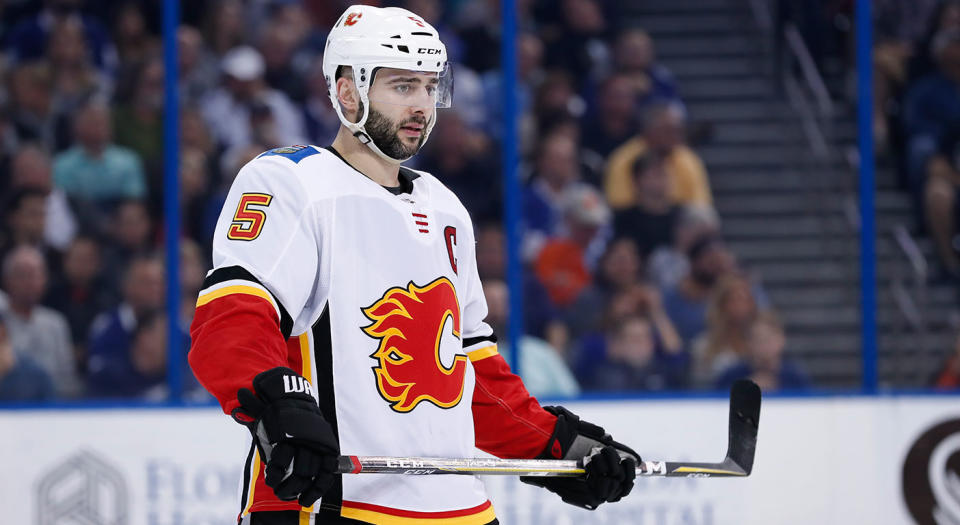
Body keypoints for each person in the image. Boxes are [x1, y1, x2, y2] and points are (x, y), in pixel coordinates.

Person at [188, 6, 638, 525]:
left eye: (430, 87)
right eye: (403, 86)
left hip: (458, 510)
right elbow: (230, 323)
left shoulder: (445, 206)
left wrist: (561, 446)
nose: (422, 105)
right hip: (331, 503)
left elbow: (466, 373)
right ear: (349, 92)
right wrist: (277, 404)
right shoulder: (290, 182)